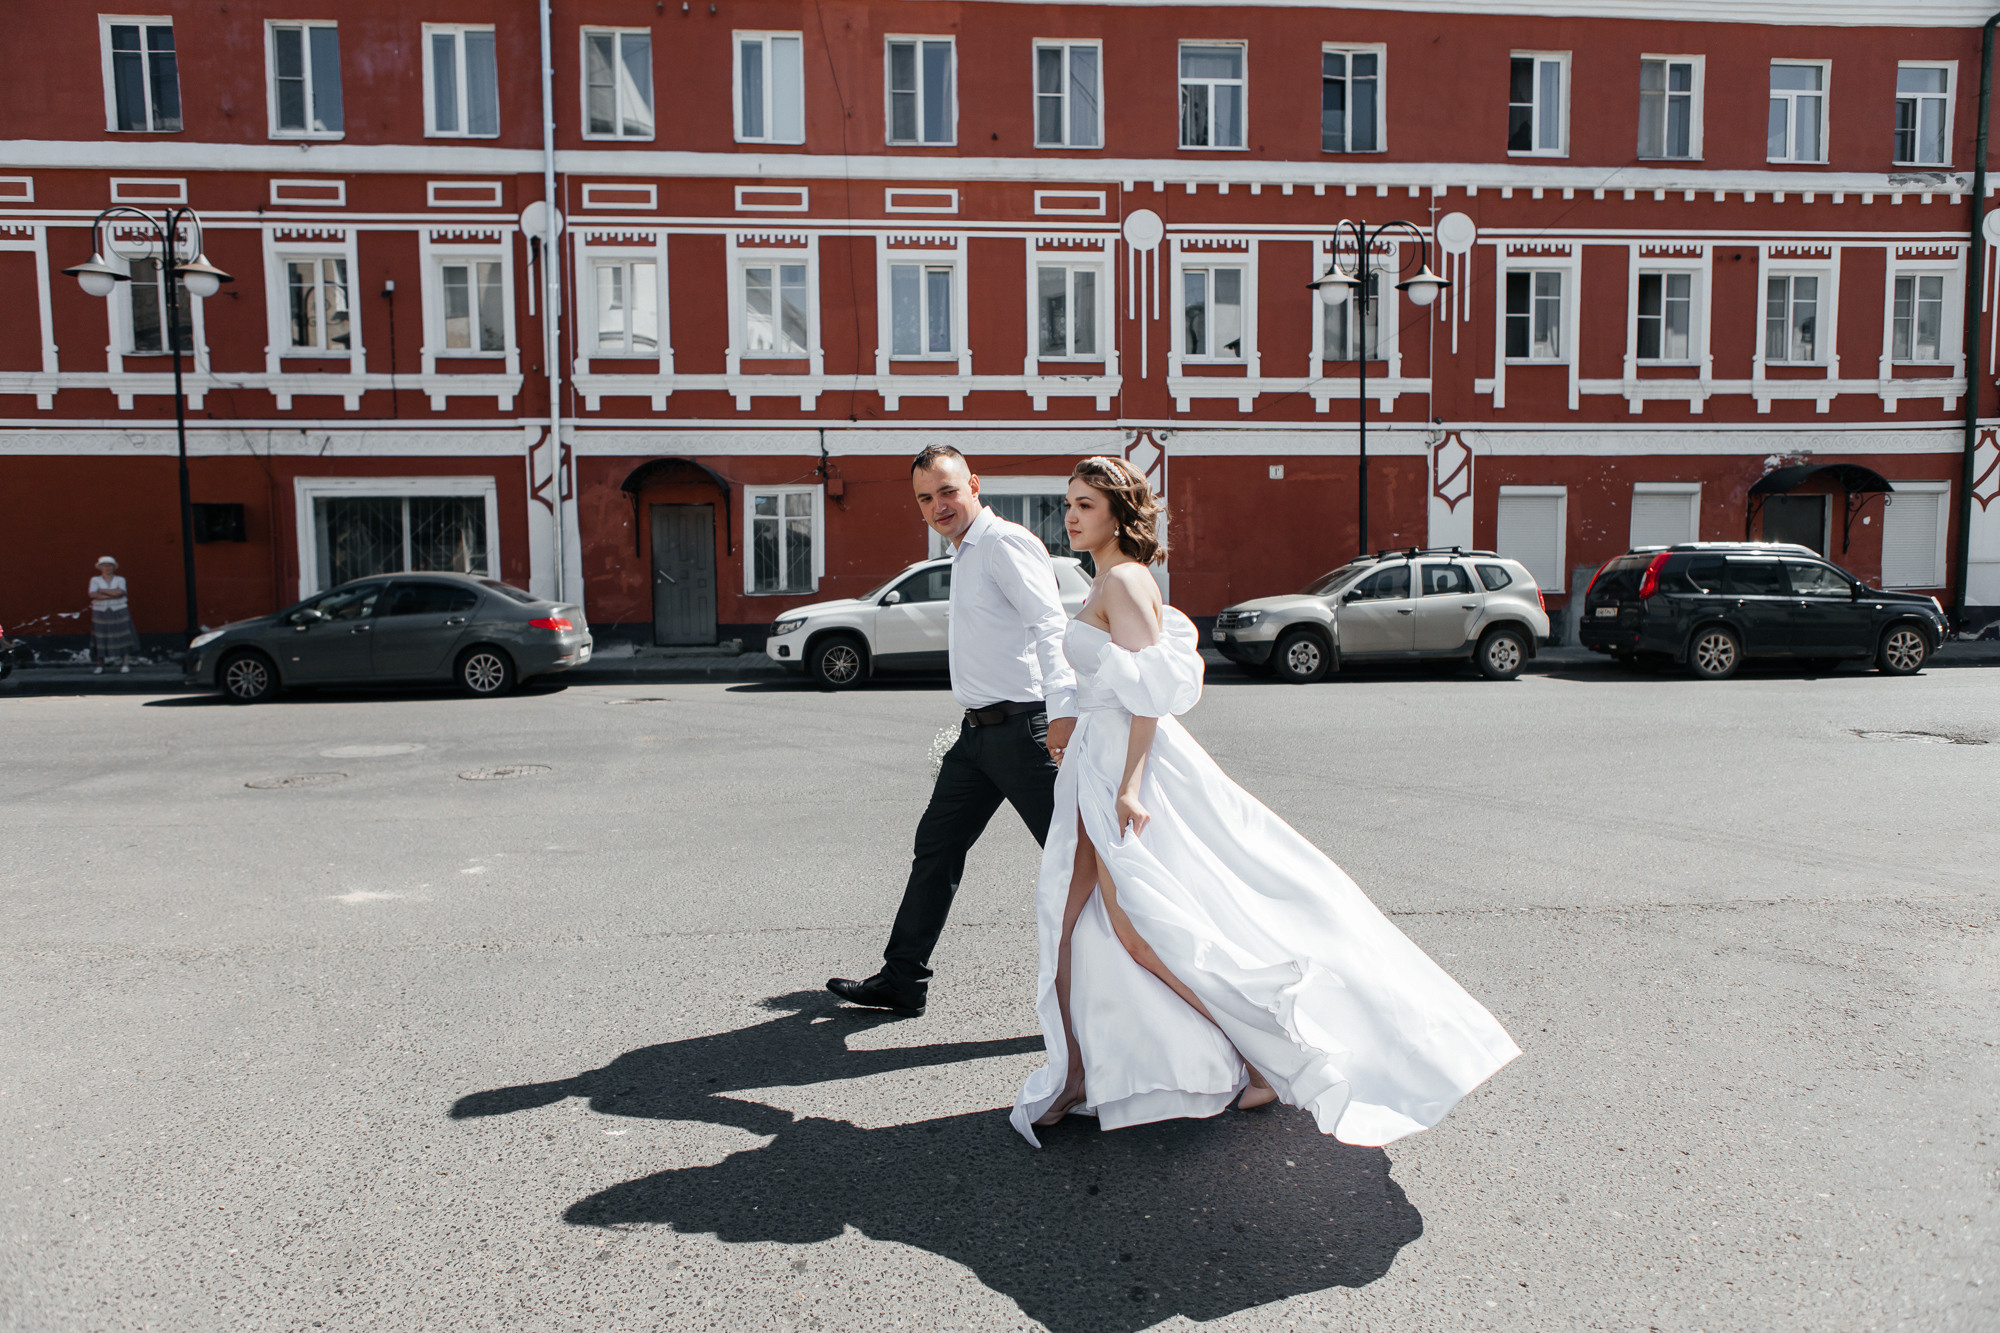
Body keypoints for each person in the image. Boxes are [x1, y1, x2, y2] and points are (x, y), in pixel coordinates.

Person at [1010, 457, 1520, 1147]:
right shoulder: (1108, 578)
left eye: (1085, 505)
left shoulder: (1124, 580)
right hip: (1092, 763)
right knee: (1069, 919)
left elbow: (1149, 696)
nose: (1070, 516)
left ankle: (1257, 1054)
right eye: (1069, 503)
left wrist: (1129, 783)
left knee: (1139, 929)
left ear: (1119, 516)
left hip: (1120, 766)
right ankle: (1076, 1071)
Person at [828, 446, 1079, 1018]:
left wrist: (1062, 711)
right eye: (925, 498)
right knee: (936, 849)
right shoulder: (964, 552)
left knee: (1075, 860)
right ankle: (902, 980)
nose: (938, 506)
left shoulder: (1003, 543)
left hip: (1025, 731)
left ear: (974, 486)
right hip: (977, 738)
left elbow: (1049, 624)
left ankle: (1140, 982)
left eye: (947, 491)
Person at [88, 556, 137, 675]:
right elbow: (92, 594)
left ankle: (125, 664)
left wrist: (101, 591)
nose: (107, 568)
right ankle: (100, 665)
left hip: (119, 610)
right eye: (104, 566)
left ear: (114, 567)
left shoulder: (120, 579)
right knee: (100, 637)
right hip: (100, 611)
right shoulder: (95, 580)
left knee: (122, 636)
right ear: (100, 567)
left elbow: (120, 593)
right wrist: (112, 594)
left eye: (110, 565)